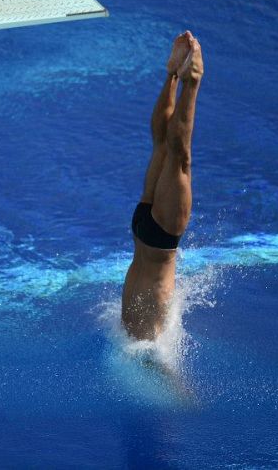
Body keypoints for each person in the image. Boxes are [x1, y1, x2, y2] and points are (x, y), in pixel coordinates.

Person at [122, 31, 204, 340]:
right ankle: (190, 80)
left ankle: (174, 74)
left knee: (166, 151)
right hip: (146, 232)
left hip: (149, 236)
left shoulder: (136, 343)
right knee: (175, 156)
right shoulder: (146, 347)